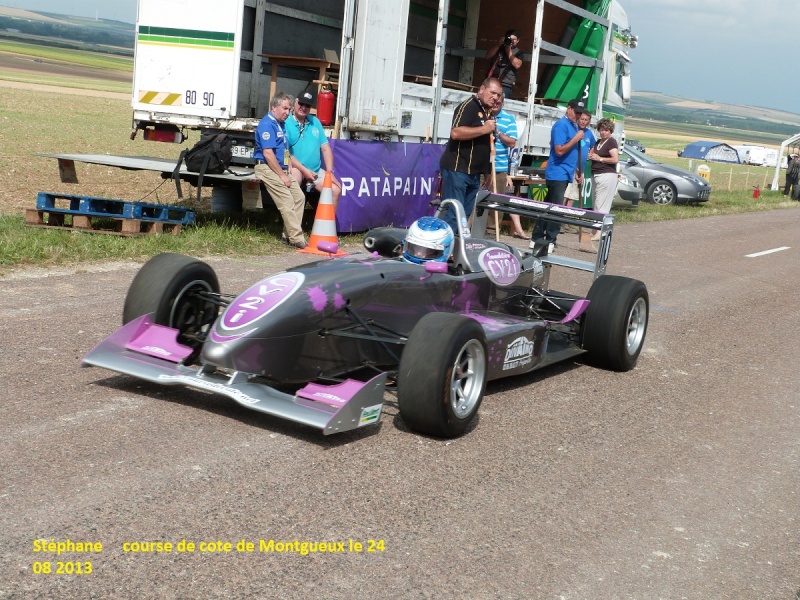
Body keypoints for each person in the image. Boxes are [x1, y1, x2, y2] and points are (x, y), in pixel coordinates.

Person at [439, 77, 502, 232]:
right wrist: (484, 129)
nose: (495, 97)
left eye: (499, 95)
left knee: (464, 215)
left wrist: (487, 171)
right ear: (481, 89)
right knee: (454, 213)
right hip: (458, 169)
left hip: (474, 173)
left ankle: (455, 248)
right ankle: (443, 249)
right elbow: (455, 133)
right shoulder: (468, 106)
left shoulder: (487, 112)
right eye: (492, 92)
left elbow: (486, 144)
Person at [529, 99, 588, 256]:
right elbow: (560, 150)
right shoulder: (561, 125)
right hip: (557, 172)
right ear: (568, 109)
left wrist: (576, 170)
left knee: (548, 206)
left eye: (580, 113)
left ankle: (536, 237)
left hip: (566, 172)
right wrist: (576, 139)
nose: (578, 116)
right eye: (576, 112)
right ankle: (550, 240)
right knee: (556, 208)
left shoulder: (573, 126)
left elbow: (571, 153)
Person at [254, 92, 307, 249]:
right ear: (274, 107)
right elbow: (268, 154)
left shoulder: (281, 124)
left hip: (281, 167)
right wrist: (282, 175)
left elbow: (283, 147)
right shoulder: (267, 125)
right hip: (266, 167)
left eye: (289, 109)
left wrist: (288, 162)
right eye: (284, 108)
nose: (287, 113)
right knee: (287, 201)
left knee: (299, 198)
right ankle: (297, 238)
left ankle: (287, 235)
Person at [286, 88, 342, 209]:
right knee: (294, 180)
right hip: (296, 167)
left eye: (307, 105)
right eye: (301, 103)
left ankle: (326, 226)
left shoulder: (315, 121)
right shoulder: (286, 122)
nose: (303, 107)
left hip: (315, 170)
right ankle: (292, 227)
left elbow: (326, 149)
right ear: (295, 102)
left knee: (335, 190)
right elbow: (286, 152)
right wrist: (304, 171)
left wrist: (329, 172)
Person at [486, 96, 526, 238]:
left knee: (496, 205)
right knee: (476, 201)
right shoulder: (483, 114)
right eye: (494, 102)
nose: (495, 104)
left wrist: (498, 132)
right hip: (481, 167)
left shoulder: (508, 119)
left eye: (499, 102)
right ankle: (472, 232)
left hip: (499, 168)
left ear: (502, 103)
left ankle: (491, 234)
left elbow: (512, 142)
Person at [587, 117, 618, 222]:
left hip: (606, 175)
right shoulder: (598, 142)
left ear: (610, 131)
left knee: (601, 204)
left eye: (606, 130)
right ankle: (595, 229)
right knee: (595, 203)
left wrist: (600, 159)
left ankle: (599, 229)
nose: (603, 132)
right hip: (596, 174)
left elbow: (615, 159)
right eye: (601, 130)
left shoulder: (611, 142)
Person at [485, 29, 524, 99]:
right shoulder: (499, 48)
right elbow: (487, 56)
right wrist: (498, 45)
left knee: (500, 104)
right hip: (492, 81)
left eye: (514, 40)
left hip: (505, 84)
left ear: (518, 40)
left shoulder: (519, 52)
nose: (511, 41)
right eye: (509, 39)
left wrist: (508, 50)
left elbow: (517, 65)